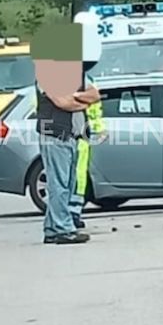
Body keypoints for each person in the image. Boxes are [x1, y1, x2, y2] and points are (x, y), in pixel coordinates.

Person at [37, 79, 100, 245]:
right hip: (55, 135)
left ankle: (52, 229)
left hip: (72, 137)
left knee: (67, 184)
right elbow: (64, 103)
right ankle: (63, 229)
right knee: (59, 184)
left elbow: (94, 95)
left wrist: (75, 96)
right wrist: (82, 102)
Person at [68, 72, 106, 229]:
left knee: (79, 176)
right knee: (73, 176)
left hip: (85, 133)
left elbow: (94, 97)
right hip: (74, 132)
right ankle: (71, 212)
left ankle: (74, 211)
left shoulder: (84, 79)